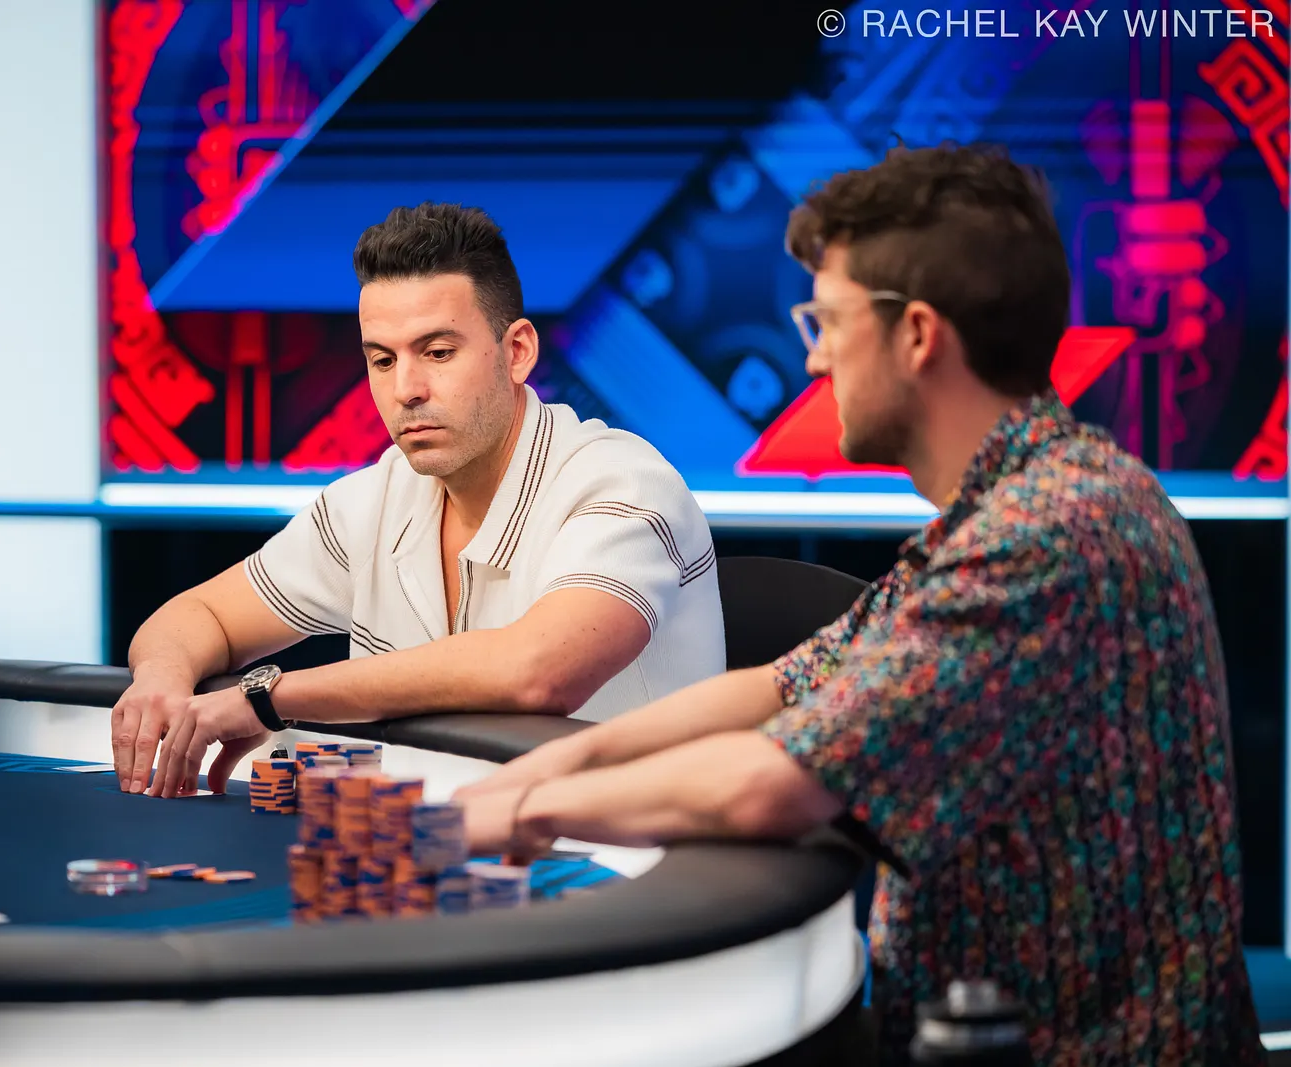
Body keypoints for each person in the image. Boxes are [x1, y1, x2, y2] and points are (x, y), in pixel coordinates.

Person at [457, 145, 1265, 1065]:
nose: (812, 354)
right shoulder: (1031, 495)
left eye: (828, 320)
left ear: (916, 334)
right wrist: (561, 760)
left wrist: (512, 816)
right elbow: (782, 683)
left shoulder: (1045, 535)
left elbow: (776, 782)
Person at [113, 203, 725, 799]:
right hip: (443, 843)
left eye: (437, 353)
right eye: (382, 360)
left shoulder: (622, 483)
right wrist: (162, 680)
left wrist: (267, 700)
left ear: (517, 352)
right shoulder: (373, 500)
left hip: (633, 852)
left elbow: (538, 672)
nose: (405, 389)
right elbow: (198, 616)